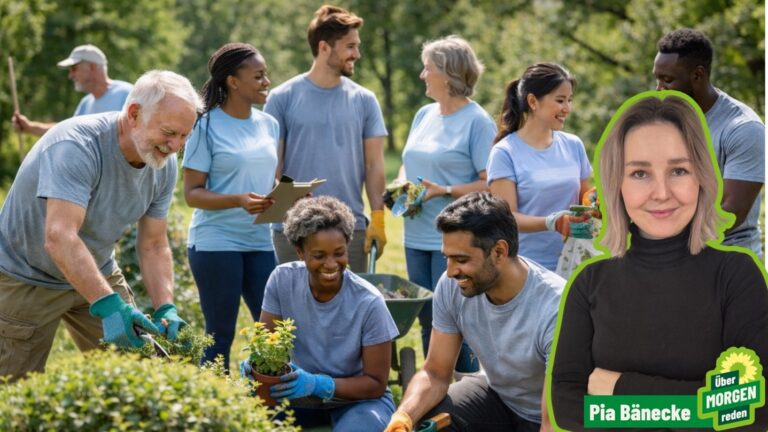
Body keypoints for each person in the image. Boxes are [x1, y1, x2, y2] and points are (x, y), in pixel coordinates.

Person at [550, 93, 768, 431]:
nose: (662, 192)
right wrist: (695, 406)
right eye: (640, 173)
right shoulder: (589, 283)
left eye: (679, 170)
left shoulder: (737, 276)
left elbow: (753, 410)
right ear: (615, 185)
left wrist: (621, 388)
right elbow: (566, 407)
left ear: (702, 178)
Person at [0, 70, 201, 383]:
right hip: (24, 275)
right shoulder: (78, 146)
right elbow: (59, 237)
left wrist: (166, 308)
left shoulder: (162, 164)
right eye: (169, 133)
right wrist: (109, 305)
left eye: (184, 136)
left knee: (138, 377)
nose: (175, 145)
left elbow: (153, 245)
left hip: (95, 266)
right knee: (13, 390)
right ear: (134, 114)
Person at [385, 192, 564, 432]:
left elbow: (552, 421)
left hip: (555, 416)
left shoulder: (556, 308)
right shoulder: (452, 286)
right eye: (447, 258)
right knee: (431, 421)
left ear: (499, 252)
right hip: (499, 399)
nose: (450, 272)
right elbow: (436, 372)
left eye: (461, 259)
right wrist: (404, 417)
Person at [241, 196, 399, 430]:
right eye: (319, 255)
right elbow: (267, 343)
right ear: (300, 252)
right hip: (299, 396)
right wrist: (256, 364)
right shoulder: (282, 280)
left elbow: (375, 383)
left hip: (358, 401)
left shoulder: (368, 302)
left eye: (339, 253)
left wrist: (319, 384)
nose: (331, 263)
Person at [396, 35, 495, 374]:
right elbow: (408, 162)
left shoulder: (478, 122)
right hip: (415, 235)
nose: (422, 75)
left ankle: (468, 394)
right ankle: (437, 392)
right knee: (429, 319)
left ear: (448, 74)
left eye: (428, 69)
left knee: (458, 321)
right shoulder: (424, 114)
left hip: (455, 242)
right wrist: (401, 184)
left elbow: (490, 184)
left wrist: (446, 190)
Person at [265, 4, 388, 273]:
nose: (357, 53)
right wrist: (294, 202)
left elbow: (375, 166)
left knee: (348, 313)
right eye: (350, 46)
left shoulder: (365, 100)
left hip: (349, 229)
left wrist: (378, 217)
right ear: (324, 47)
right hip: (293, 229)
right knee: (291, 313)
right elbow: (272, 166)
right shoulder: (282, 98)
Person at [182, 43, 279, 370]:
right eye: (259, 76)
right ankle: (217, 411)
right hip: (215, 243)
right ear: (233, 81)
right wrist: (236, 199)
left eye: (266, 75)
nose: (267, 81)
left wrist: (290, 196)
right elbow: (192, 193)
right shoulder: (204, 126)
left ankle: (273, 408)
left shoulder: (269, 125)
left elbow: (269, 184)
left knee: (274, 332)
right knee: (220, 334)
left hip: (260, 241)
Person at [653, 28, 764, 257]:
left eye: (668, 80)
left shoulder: (743, 128)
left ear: (698, 75)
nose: (659, 89)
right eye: (657, 79)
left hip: (731, 264)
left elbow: (731, 212)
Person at [486, 63, 592, 272]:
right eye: (560, 100)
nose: (567, 108)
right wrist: (552, 222)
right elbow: (508, 218)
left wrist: (597, 203)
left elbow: (585, 199)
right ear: (533, 101)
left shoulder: (573, 145)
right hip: (527, 267)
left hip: (574, 263)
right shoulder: (504, 152)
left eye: (569, 100)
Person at [12, 44, 134, 136]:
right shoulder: (85, 104)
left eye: (74, 69)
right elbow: (66, 133)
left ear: (92, 67)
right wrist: (30, 127)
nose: (70, 75)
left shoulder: (128, 94)